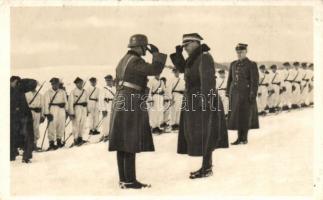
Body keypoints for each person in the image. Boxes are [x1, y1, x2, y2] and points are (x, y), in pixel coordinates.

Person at [108, 34, 167, 189]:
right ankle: (130, 181)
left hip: (121, 99)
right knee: (129, 140)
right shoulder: (135, 61)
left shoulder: (123, 60)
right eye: (145, 48)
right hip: (130, 100)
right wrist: (156, 55)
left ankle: (124, 179)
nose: (145, 51)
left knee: (122, 141)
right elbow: (155, 69)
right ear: (140, 47)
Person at [170, 33, 228, 179]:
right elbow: (184, 69)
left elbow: (208, 81)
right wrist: (178, 55)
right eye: (183, 47)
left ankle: (207, 168)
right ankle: (206, 167)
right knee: (199, 133)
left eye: (187, 45)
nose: (185, 49)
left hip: (202, 100)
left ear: (196, 43)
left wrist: (205, 101)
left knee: (206, 132)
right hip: (194, 101)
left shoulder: (204, 57)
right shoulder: (194, 58)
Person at [226, 43, 259, 145]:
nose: (239, 54)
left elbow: (255, 81)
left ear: (246, 52)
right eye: (238, 52)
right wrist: (228, 92)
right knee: (237, 116)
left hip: (246, 94)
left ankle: (244, 138)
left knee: (245, 116)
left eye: (241, 52)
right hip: (235, 94)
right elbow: (230, 80)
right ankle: (239, 138)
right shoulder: (233, 64)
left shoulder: (251, 64)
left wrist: (252, 94)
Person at [43, 78, 68, 150]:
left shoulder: (62, 92)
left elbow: (66, 102)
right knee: (52, 126)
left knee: (61, 125)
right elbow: (46, 104)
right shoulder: (48, 92)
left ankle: (59, 141)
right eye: (53, 84)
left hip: (61, 110)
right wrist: (47, 114)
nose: (55, 85)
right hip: (52, 110)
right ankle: (51, 143)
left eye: (56, 84)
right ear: (51, 84)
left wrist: (66, 110)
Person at [16, 78, 37, 163]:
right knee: (28, 136)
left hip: (23, 117)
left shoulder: (18, 92)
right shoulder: (20, 92)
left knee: (26, 137)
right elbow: (31, 84)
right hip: (25, 118)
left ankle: (26, 155)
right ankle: (26, 157)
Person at [25, 81, 45, 151]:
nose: (33, 86)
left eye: (34, 85)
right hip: (29, 113)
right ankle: (28, 145)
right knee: (29, 129)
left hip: (37, 113)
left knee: (36, 128)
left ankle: (34, 144)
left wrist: (42, 116)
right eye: (31, 85)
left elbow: (42, 106)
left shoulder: (40, 95)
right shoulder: (26, 94)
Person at [68, 77, 89, 146]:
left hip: (84, 109)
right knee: (76, 124)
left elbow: (87, 101)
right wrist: (71, 113)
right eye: (79, 83)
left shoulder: (85, 91)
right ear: (76, 84)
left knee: (83, 123)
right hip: (76, 109)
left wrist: (87, 110)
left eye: (81, 83)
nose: (80, 84)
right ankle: (76, 139)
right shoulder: (73, 92)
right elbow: (70, 103)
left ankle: (80, 137)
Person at [100, 74, 116, 142]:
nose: (109, 82)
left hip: (114, 105)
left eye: (110, 80)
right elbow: (101, 100)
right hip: (107, 105)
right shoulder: (103, 89)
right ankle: (106, 135)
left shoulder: (115, 88)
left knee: (114, 120)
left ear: (112, 80)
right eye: (107, 80)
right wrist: (103, 109)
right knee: (106, 121)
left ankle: (113, 134)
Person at [10, 76, 21, 161]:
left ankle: (14, 150)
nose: (17, 84)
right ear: (12, 81)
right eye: (16, 83)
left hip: (15, 115)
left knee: (15, 133)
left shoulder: (15, 90)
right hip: (10, 115)